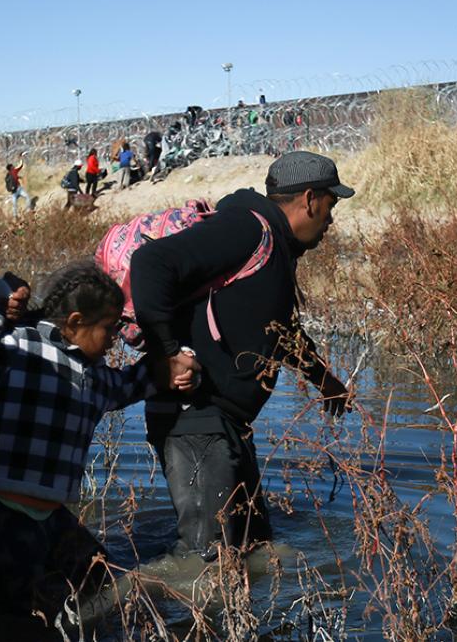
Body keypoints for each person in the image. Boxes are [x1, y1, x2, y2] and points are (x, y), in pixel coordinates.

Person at [130, 150, 353, 561]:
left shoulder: (275, 248)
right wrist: (168, 353)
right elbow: (150, 262)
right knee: (205, 567)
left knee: (253, 550)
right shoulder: (245, 228)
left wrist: (325, 380)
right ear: (309, 199)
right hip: (194, 419)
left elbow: (279, 330)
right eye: (330, 205)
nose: (330, 219)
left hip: (226, 422)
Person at [0, 262, 193, 631]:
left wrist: (171, 368)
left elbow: (129, 384)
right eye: (109, 328)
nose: (115, 338)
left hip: (48, 516)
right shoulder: (20, 349)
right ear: (77, 321)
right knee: (22, 618)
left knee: (103, 582)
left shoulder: (93, 375)